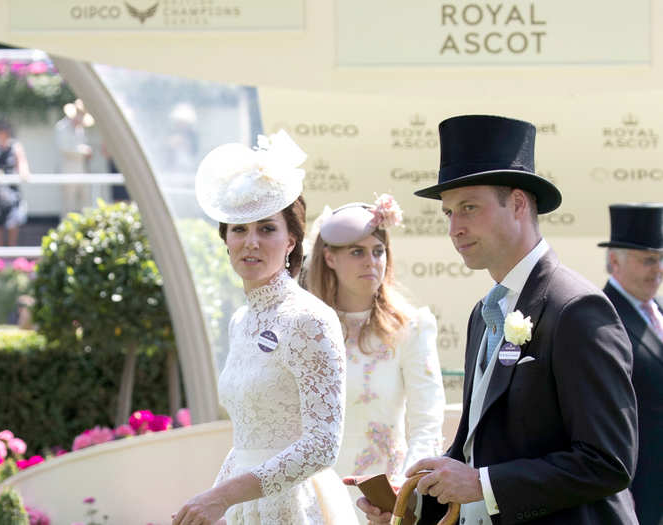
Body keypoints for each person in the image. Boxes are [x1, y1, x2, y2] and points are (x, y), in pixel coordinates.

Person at [355, 115, 638, 524]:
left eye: (469, 208)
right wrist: (415, 500)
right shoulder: (483, 313)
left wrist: (482, 485)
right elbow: (478, 448)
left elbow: (609, 461)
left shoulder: (577, 309)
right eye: (448, 213)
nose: (455, 228)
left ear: (519, 204)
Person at [172, 130, 356, 525]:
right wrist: (216, 502)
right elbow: (248, 440)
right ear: (226, 239)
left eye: (266, 228)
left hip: (293, 506)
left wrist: (221, 496)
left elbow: (323, 445)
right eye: (239, 229)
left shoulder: (310, 319)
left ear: (291, 240)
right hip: (240, 506)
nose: (251, 241)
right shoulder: (240, 321)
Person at [305, 195, 445, 522]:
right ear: (329, 258)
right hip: (314, 500)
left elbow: (427, 418)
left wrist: (407, 490)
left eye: (378, 251)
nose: (371, 261)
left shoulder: (411, 326)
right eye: (357, 252)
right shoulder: (307, 329)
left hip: (383, 504)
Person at [599, 203, 663, 525]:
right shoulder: (601, 317)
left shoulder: (658, 311)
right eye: (649, 260)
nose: (659, 269)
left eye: (662, 259)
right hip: (637, 493)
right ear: (615, 261)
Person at [0, 119, 29, 247]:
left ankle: (12, 252)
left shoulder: (15, 146)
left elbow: (22, 163)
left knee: (13, 221)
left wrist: (24, 173)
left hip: (11, 189)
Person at [54, 99, 94, 217]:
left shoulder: (80, 129)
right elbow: (65, 148)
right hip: (68, 170)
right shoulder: (62, 127)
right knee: (68, 203)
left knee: (86, 201)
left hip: (82, 170)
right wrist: (83, 151)